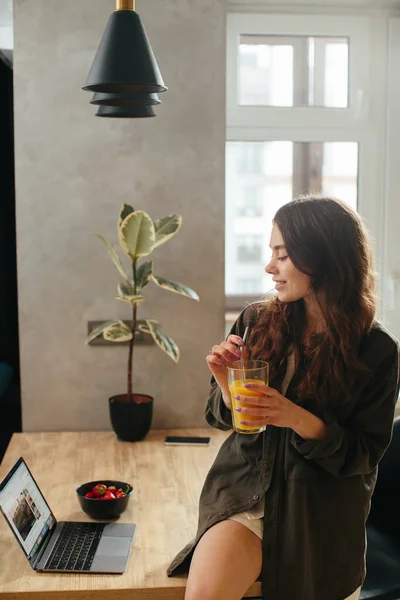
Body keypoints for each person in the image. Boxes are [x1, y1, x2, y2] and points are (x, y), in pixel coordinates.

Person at [167, 194, 400, 600]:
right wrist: (226, 380)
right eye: (271, 253)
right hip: (245, 495)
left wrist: (293, 416)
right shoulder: (257, 320)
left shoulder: (377, 350)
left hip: (318, 516)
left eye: (282, 254)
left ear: (321, 257)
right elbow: (231, 419)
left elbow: (364, 453)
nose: (269, 267)